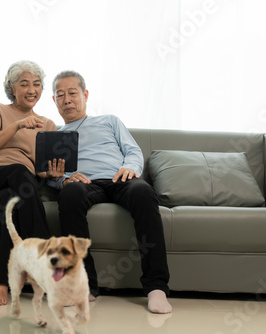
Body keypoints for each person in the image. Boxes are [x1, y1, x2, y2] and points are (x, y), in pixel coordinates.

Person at [47, 70, 172, 314]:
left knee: (143, 193)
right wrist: (64, 180)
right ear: (54, 101)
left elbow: (133, 151)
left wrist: (130, 168)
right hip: (84, 184)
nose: (67, 99)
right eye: (60, 95)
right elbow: (51, 177)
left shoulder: (109, 121)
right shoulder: (54, 138)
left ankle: (156, 287)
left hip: (119, 178)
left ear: (85, 95)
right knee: (69, 195)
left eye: (72, 93)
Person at [0, 60, 63, 305]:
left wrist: (50, 174)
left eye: (37, 84)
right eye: (24, 84)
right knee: (19, 171)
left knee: (3, 205)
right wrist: (18, 125)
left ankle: (1, 283)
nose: (32, 90)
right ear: (12, 87)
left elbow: (40, 171)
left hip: (21, 184)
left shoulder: (48, 125)